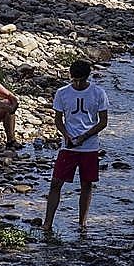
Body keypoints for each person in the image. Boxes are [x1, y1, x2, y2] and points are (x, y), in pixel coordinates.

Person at [42, 59, 109, 237]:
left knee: (87, 183)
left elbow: (103, 121)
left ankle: (82, 223)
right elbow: (58, 119)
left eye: (81, 80)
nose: (78, 84)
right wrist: (67, 135)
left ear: (87, 77)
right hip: (69, 146)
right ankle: (47, 223)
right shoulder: (62, 93)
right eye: (75, 80)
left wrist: (85, 136)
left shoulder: (98, 93)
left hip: (89, 147)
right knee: (56, 182)